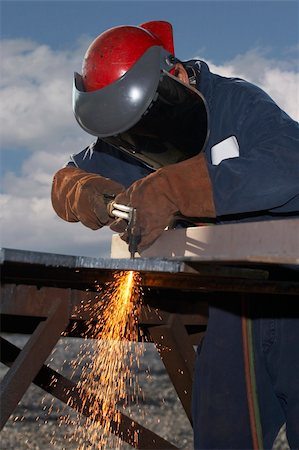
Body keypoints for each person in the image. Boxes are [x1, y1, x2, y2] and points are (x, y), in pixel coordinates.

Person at [51, 21, 299, 449]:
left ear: (177, 76)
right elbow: (68, 180)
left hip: (293, 293)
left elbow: (288, 166)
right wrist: (88, 195)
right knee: (222, 438)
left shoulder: (237, 103)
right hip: (232, 306)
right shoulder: (136, 135)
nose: (143, 141)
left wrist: (174, 189)